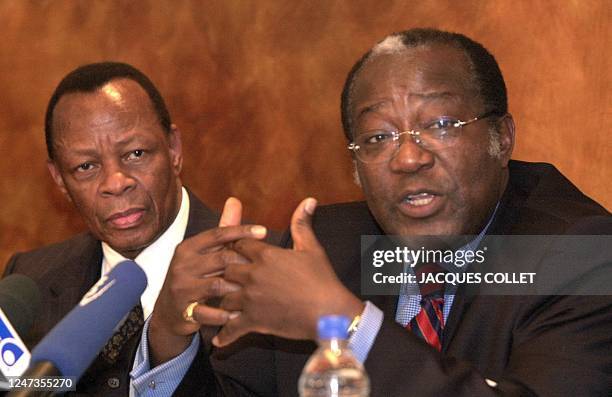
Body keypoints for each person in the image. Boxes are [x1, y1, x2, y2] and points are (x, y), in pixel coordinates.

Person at [195, 29, 610, 395]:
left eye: (441, 125)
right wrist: (167, 341)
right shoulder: (323, 249)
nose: (409, 158)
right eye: (379, 136)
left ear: (501, 138)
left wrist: (343, 321)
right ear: (355, 167)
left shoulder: (580, 253)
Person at [2, 62, 268, 396]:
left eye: (136, 153)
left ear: (173, 150)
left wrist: (169, 336)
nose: (116, 182)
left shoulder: (262, 268)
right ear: (60, 180)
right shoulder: (29, 282)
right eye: (86, 166)